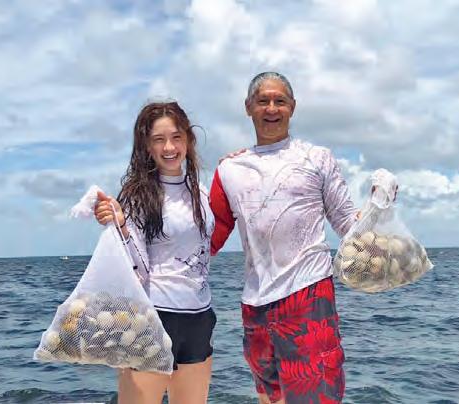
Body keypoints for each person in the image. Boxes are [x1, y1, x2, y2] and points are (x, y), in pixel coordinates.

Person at [210, 72, 358, 404]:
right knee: (270, 396)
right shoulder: (229, 169)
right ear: (248, 107)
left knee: (317, 396)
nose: (271, 108)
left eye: (280, 101)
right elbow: (208, 238)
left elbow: (348, 222)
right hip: (255, 305)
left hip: (308, 296)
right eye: (263, 101)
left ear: (293, 107)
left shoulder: (317, 157)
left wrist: (379, 213)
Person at [94, 101, 216, 404]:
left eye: (176, 137)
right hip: (153, 318)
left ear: (189, 140)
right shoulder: (136, 196)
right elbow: (134, 267)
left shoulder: (201, 192)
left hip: (199, 318)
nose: (169, 147)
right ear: (147, 146)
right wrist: (121, 226)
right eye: (159, 140)